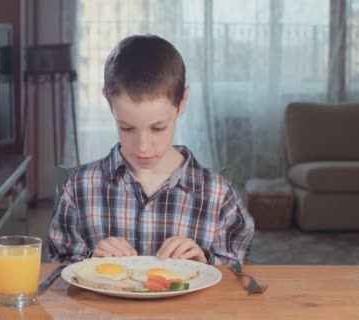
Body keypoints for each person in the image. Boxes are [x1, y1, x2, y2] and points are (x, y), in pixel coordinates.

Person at [48, 34, 254, 265]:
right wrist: (89, 261)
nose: (143, 147)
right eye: (126, 128)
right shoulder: (80, 189)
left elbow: (236, 272)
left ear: (182, 102)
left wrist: (205, 262)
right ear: (108, 101)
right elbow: (60, 266)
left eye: (158, 128)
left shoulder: (217, 194)